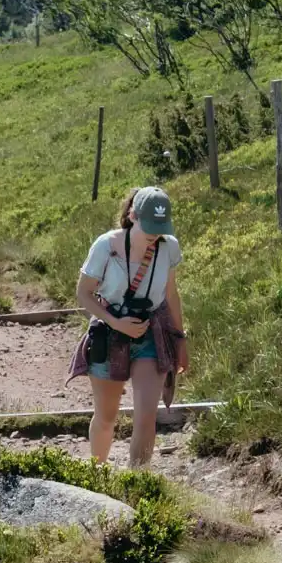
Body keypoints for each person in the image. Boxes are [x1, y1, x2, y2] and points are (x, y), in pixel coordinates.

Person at [70, 186, 189, 467]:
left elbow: (171, 294)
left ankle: (138, 482)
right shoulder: (106, 246)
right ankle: (96, 474)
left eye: (160, 228)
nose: (155, 235)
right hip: (110, 333)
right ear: (132, 215)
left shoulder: (169, 246)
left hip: (151, 332)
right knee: (106, 416)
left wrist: (180, 339)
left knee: (147, 415)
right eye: (149, 227)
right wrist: (116, 322)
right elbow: (83, 293)